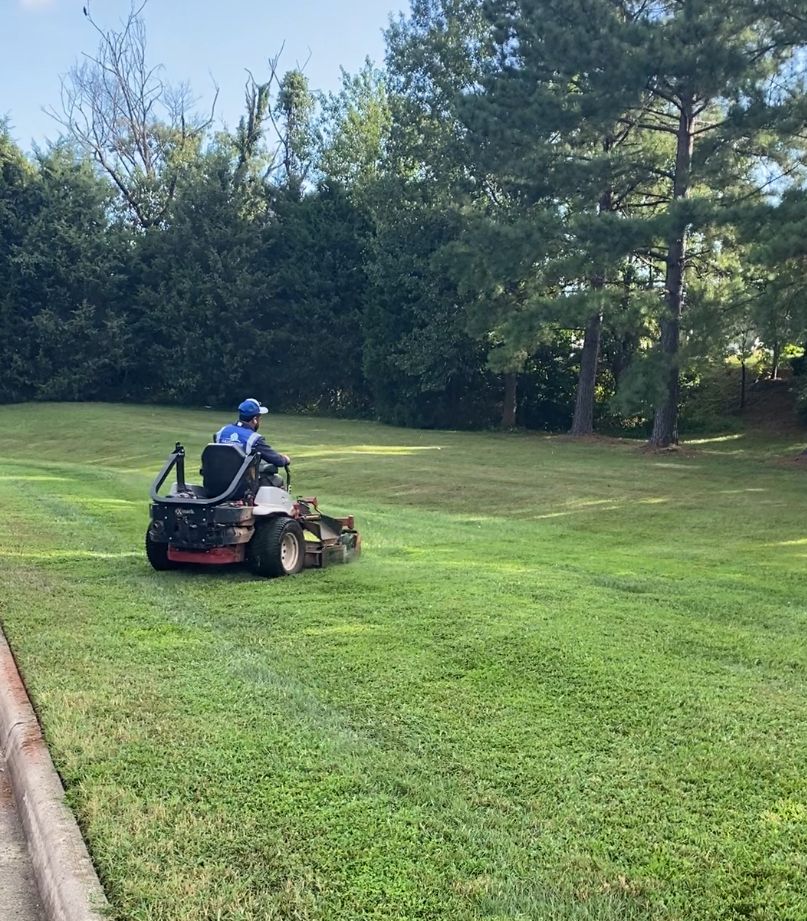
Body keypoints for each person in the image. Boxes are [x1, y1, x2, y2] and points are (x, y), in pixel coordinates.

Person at [214, 399, 290, 472]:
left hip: (216, 480)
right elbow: (277, 461)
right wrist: (285, 459)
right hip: (240, 483)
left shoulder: (221, 432)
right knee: (276, 480)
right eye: (259, 418)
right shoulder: (254, 439)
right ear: (254, 419)